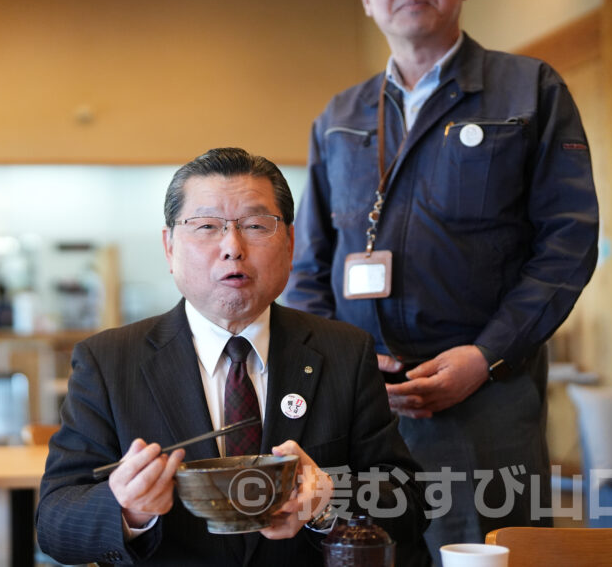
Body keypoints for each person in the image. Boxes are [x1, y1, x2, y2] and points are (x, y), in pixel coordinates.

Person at [284, 0, 599, 561]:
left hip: (486, 403)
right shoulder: (337, 118)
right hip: (362, 407)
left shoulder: (530, 92)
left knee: (483, 555)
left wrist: (484, 356)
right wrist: (339, 367)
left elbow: (568, 245)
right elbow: (308, 267)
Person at [37, 147, 430, 567]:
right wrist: (129, 509)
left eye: (256, 225)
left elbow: (409, 500)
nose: (232, 247)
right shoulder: (108, 360)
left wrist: (328, 502)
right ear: (170, 246)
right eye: (206, 226)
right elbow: (56, 522)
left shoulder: (345, 352)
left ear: (290, 243)